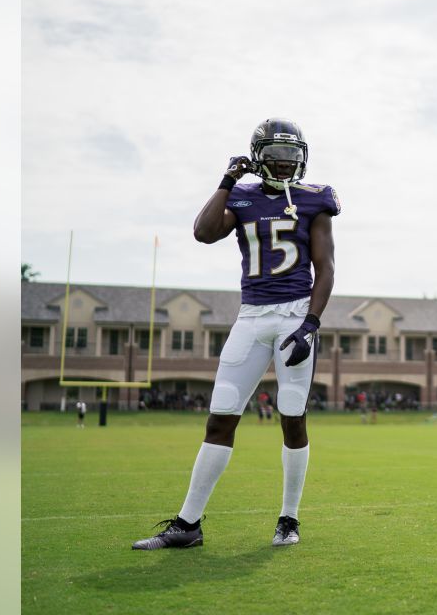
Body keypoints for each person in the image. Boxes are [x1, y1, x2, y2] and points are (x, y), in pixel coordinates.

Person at [132, 119, 339, 551]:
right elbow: (204, 232)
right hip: (251, 315)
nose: (285, 167)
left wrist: (311, 323)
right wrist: (227, 179)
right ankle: (188, 525)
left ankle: (289, 518)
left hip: (295, 312)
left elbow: (327, 267)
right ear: (258, 157)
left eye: (292, 159)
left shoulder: (316, 199)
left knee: (292, 413)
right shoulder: (241, 196)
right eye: (277, 159)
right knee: (221, 413)